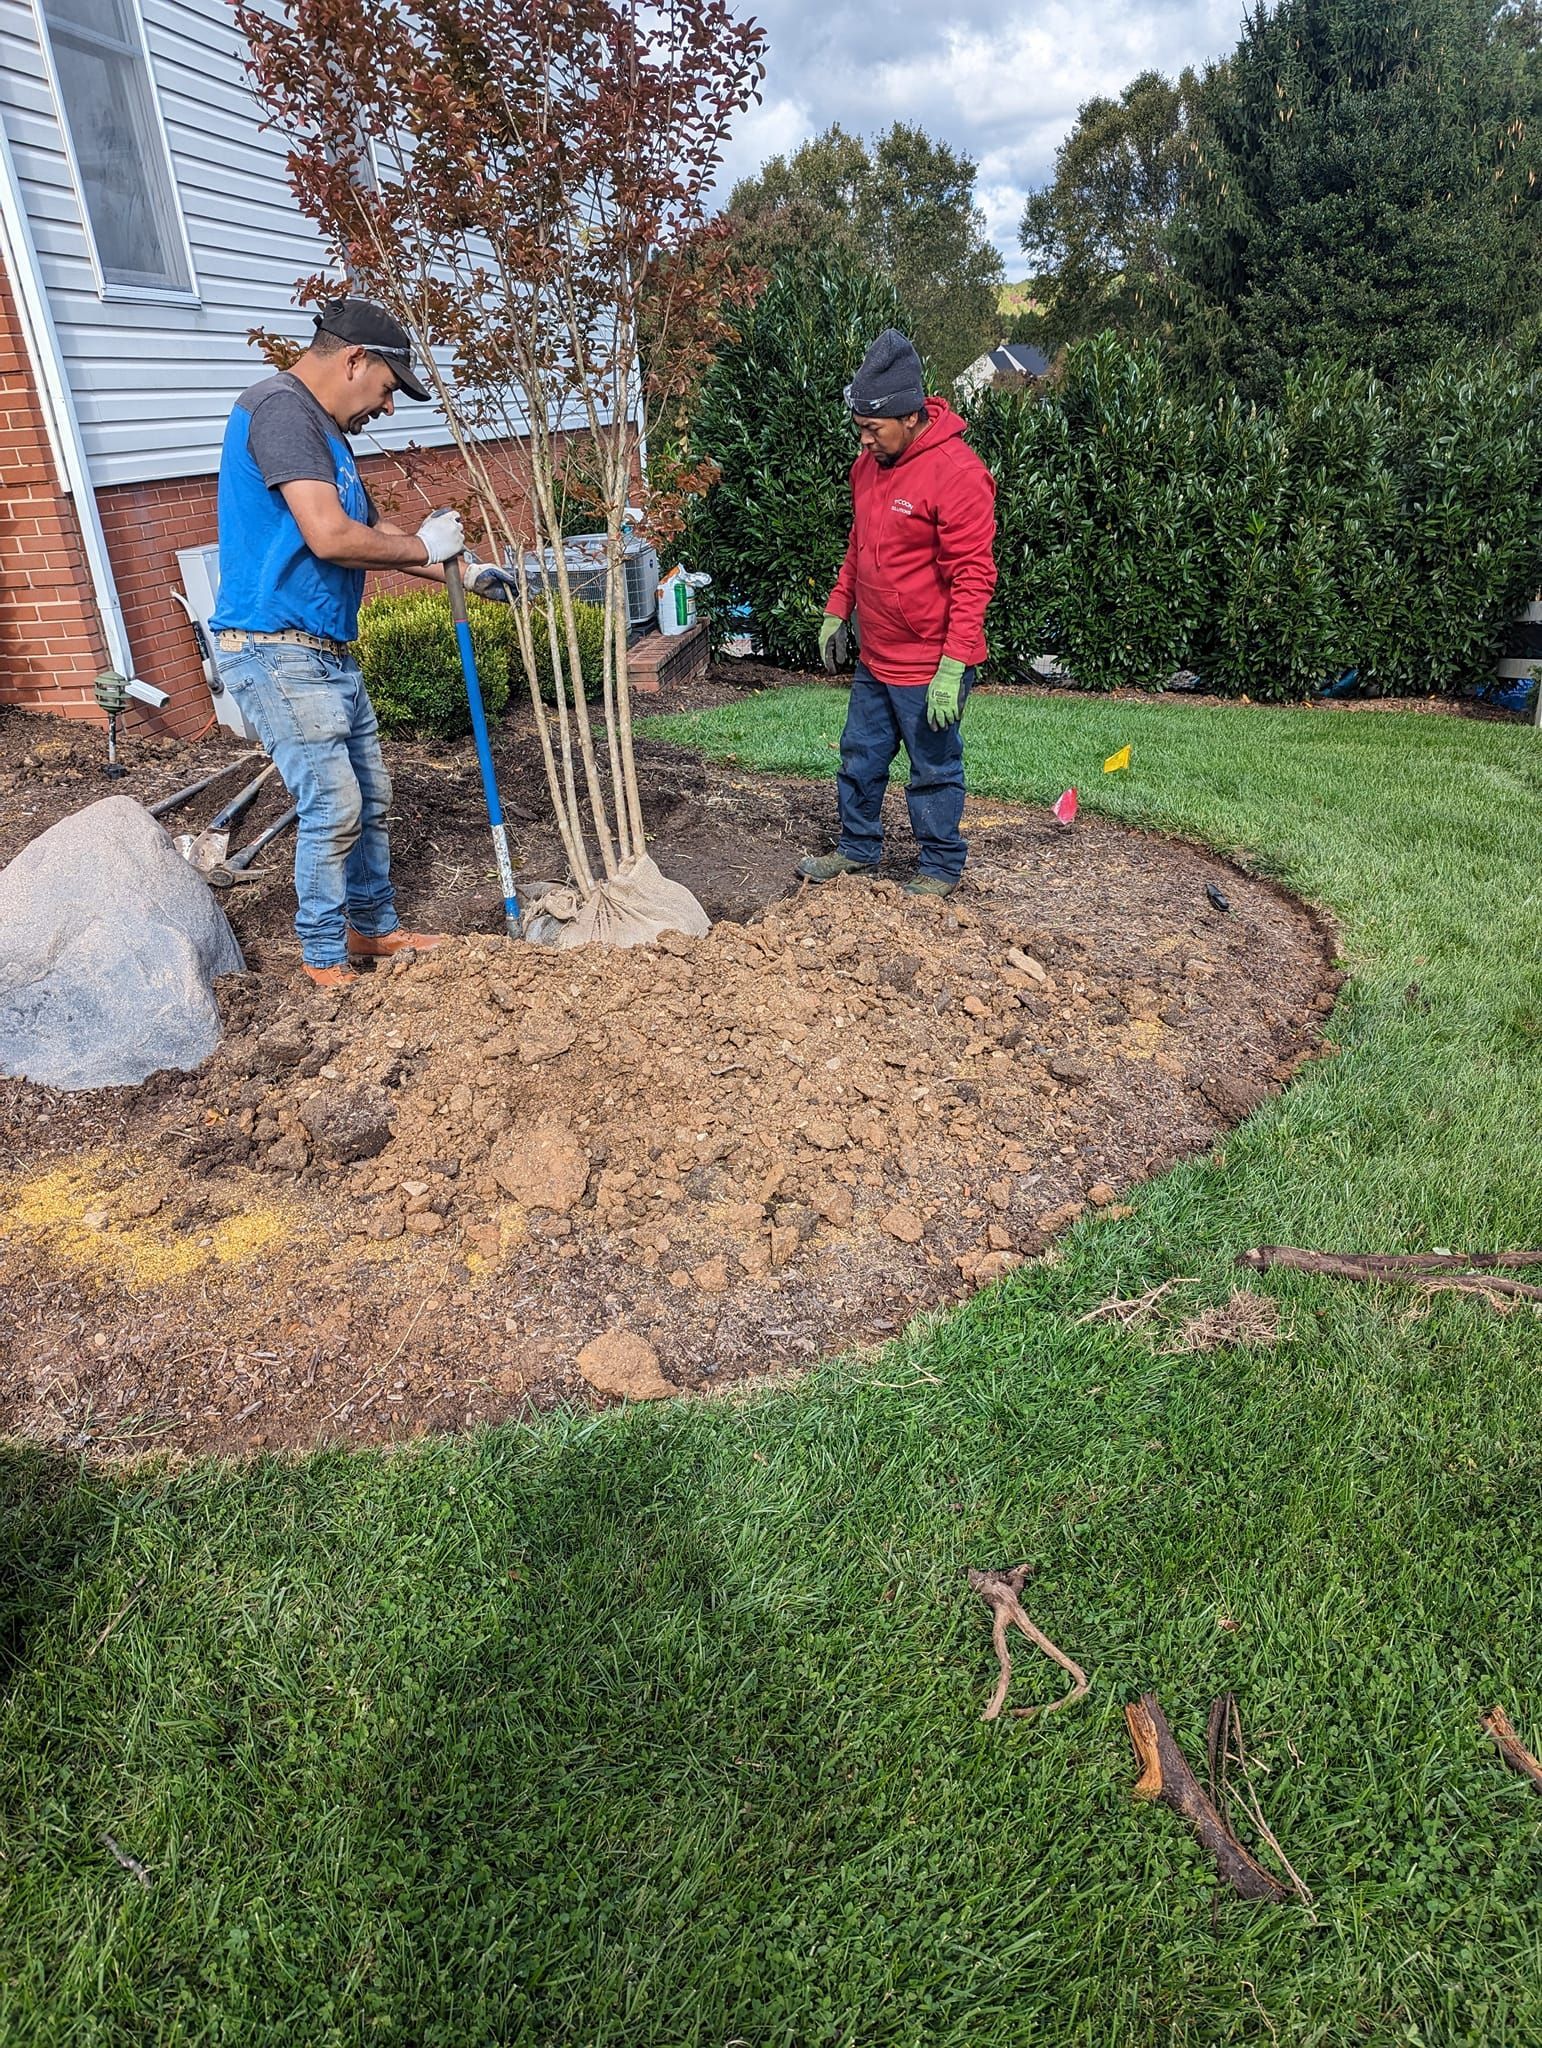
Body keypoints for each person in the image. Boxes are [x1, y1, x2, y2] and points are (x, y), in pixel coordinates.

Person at [209, 296, 502, 987]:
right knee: (335, 803)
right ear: (354, 360)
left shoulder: (324, 430)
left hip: (324, 650)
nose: (390, 407)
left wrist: (464, 570)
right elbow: (331, 537)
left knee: (370, 797)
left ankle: (371, 927)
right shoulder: (281, 409)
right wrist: (422, 544)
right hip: (275, 649)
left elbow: (369, 549)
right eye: (389, 387)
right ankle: (321, 957)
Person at [796, 328, 997, 899]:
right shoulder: (869, 467)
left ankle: (939, 865)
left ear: (910, 416)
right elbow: (859, 543)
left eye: (871, 428)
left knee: (933, 769)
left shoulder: (958, 475)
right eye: (858, 427)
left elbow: (974, 577)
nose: (863, 441)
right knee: (860, 755)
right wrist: (839, 609)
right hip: (877, 655)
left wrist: (954, 665)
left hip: (930, 663)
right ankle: (859, 851)